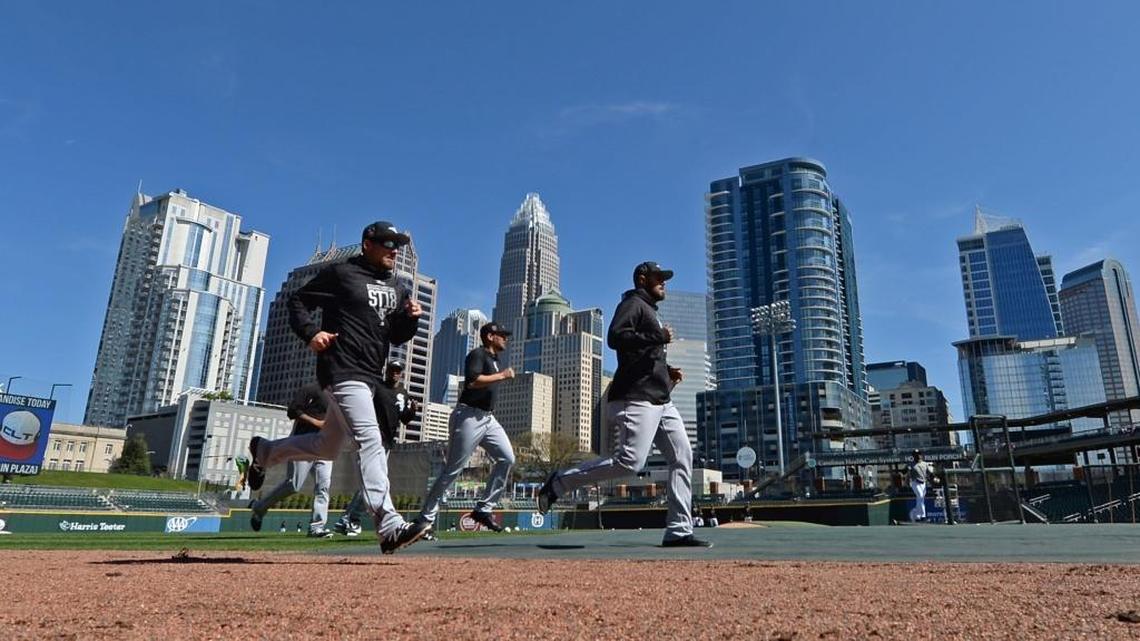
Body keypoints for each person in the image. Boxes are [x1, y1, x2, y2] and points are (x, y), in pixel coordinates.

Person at [244, 220, 431, 554]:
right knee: (371, 440)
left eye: (398, 246)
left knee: (327, 447)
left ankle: (264, 453)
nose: (395, 251)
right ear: (368, 244)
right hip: (341, 369)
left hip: (371, 375)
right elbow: (298, 301)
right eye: (388, 244)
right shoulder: (342, 274)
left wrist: (411, 318)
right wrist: (311, 333)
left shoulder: (397, 286)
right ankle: (388, 524)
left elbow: (396, 334)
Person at [537, 262, 710, 548]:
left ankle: (679, 530)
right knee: (630, 462)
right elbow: (615, 337)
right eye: (658, 278)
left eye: (664, 278)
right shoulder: (633, 303)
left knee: (682, 457)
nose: (663, 282)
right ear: (642, 279)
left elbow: (640, 355)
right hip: (635, 397)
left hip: (661, 400)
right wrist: (659, 336)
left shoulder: (649, 310)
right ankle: (559, 482)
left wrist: (666, 371)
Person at [414, 322, 517, 533]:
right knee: (453, 469)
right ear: (490, 336)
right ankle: (424, 519)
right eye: (502, 335)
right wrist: (502, 375)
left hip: (488, 418)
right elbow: (472, 381)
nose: (505, 338)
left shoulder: (495, 359)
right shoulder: (477, 354)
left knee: (507, 458)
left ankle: (483, 509)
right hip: (468, 416)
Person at [334, 359, 419, 537]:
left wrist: (412, 410)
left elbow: (405, 419)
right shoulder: (377, 386)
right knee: (376, 480)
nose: (394, 373)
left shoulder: (403, 392)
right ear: (386, 371)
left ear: (401, 373)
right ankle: (351, 518)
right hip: (374, 438)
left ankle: (349, 518)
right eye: (392, 370)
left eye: (398, 370)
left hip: (387, 441)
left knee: (376, 480)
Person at [246, 382, 334, 537]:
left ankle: (316, 527)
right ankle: (259, 508)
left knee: (323, 486)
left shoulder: (340, 395)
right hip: (302, 442)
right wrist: (317, 423)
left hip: (325, 446)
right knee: (293, 485)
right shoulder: (312, 389)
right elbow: (293, 411)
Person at [908, 450, 937, 522]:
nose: (918, 456)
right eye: (916, 454)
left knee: (920, 499)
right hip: (915, 483)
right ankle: (923, 516)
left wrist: (934, 478)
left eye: (919, 454)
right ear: (913, 456)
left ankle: (917, 515)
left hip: (923, 483)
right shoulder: (911, 464)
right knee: (920, 496)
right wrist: (907, 470)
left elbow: (930, 473)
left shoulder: (925, 464)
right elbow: (905, 471)